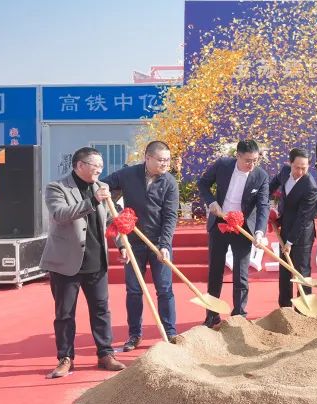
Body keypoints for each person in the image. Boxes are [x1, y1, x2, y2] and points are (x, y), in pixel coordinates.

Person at [40, 147, 123, 379]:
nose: (100, 170)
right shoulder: (57, 187)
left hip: (96, 260)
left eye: (101, 166)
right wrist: (92, 201)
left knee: (101, 310)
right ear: (79, 165)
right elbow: (60, 214)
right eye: (95, 165)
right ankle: (65, 358)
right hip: (66, 262)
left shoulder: (101, 188)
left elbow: (112, 221)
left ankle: (105, 353)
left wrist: (122, 245)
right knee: (65, 313)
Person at [100, 141, 180, 350]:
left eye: (168, 160)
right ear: (148, 158)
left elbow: (170, 216)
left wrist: (165, 245)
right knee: (134, 290)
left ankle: (170, 332)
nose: (165, 164)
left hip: (158, 242)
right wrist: (108, 197)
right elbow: (102, 185)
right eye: (161, 160)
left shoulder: (169, 182)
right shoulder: (128, 174)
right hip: (133, 241)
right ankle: (134, 335)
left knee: (164, 289)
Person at [198, 140, 270, 328]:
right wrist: (211, 202)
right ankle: (212, 315)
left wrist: (260, 232)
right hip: (219, 223)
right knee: (215, 271)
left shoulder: (261, 176)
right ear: (237, 156)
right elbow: (203, 183)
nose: (251, 164)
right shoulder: (223, 165)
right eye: (247, 160)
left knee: (241, 274)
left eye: (255, 160)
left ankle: (239, 316)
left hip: (242, 228)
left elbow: (263, 205)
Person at [269, 148, 317, 309]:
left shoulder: (310, 187)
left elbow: (303, 218)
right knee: (285, 269)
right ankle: (285, 307)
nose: (300, 171)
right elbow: (272, 185)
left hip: (302, 233)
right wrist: (266, 202)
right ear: (290, 163)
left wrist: (290, 242)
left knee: (302, 271)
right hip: (285, 227)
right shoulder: (284, 172)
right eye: (297, 167)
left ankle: (304, 308)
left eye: (304, 168)